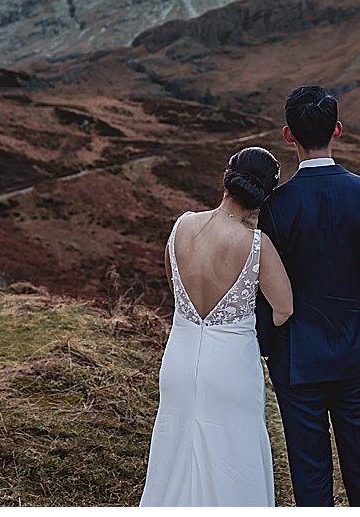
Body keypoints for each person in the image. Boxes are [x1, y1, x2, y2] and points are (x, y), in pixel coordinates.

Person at [256, 85, 360, 506]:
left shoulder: (276, 205)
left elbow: (267, 288)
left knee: (309, 470)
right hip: (355, 346)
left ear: (287, 134)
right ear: (337, 130)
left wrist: (268, 343)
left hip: (296, 353)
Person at [140, 146, 294, 506]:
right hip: (232, 364)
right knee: (233, 454)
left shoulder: (182, 226)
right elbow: (284, 309)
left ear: (226, 177)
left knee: (175, 448)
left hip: (179, 355)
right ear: (265, 196)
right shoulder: (256, 245)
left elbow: (175, 287)